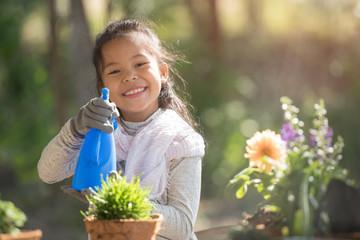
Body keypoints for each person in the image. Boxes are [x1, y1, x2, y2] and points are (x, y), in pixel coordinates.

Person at [37, 18, 205, 240]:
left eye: (140, 64)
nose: (129, 76)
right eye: (115, 71)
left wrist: (123, 197)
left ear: (163, 72)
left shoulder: (180, 140)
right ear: (102, 87)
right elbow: (48, 173)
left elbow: (182, 226)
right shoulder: (99, 133)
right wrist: (75, 129)